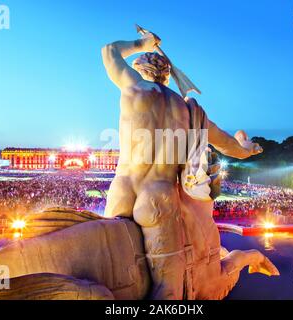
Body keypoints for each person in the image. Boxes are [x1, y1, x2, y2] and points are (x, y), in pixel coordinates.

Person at [102, 32, 262, 299]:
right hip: (158, 197)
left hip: (122, 189)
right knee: (168, 291)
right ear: (167, 76)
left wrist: (143, 43)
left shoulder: (134, 88)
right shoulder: (189, 111)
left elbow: (109, 51)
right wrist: (246, 147)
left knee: (111, 275)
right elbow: (230, 147)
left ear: (140, 70)